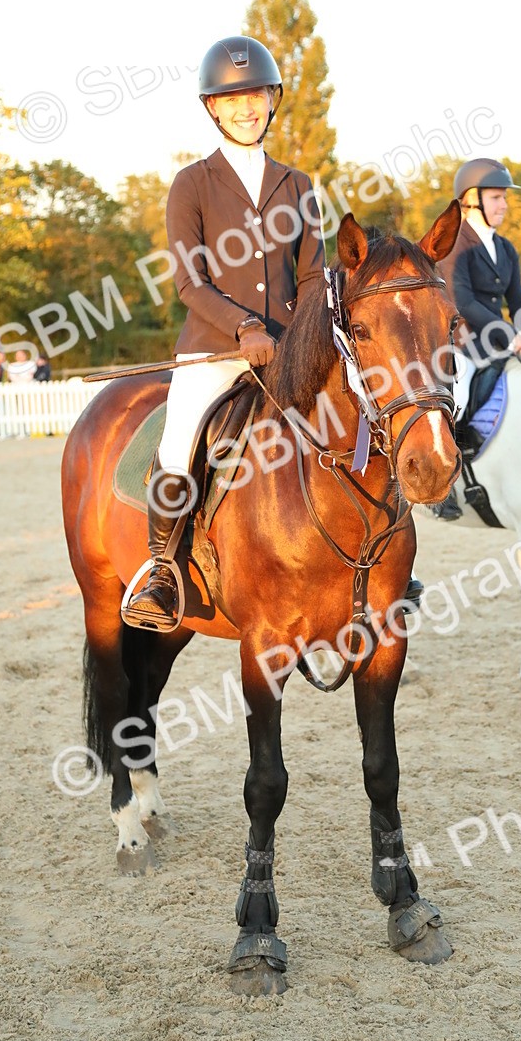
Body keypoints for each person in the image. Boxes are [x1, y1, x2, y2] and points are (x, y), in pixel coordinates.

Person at [123, 35, 327, 630]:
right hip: (214, 351)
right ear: (213, 107)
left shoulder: (298, 185)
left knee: (358, 413)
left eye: (255, 96)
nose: (246, 108)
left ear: (272, 101)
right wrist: (244, 327)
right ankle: (163, 570)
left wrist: (300, 340)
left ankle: (378, 551)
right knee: (180, 437)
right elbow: (191, 282)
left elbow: (313, 277)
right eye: (232, 99)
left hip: (290, 351)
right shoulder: (192, 184)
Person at [433, 158, 521, 520]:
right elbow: (463, 302)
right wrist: (510, 334)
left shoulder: (506, 249)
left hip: (497, 342)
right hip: (461, 343)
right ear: (472, 199)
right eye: (496, 197)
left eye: (504, 198)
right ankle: (442, 484)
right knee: (460, 394)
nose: (504, 205)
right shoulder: (456, 244)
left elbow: (519, 302)